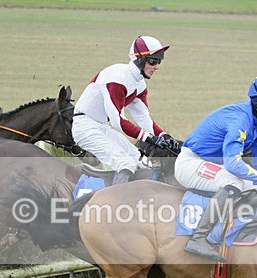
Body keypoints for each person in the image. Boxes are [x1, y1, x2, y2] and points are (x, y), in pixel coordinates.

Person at [175, 74, 257, 262]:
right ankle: (198, 238)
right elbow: (232, 164)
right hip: (190, 163)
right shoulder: (240, 120)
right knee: (233, 181)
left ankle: (231, 234)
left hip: (213, 164)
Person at [72, 35, 180, 184]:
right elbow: (117, 121)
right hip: (84, 128)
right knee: (126, 163)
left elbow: (144, 118)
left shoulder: (139, 84)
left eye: (159, 61)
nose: (157, 66)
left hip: (101, 127)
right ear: (139, 59)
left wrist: (164, 136)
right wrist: (148, 138)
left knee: (139, 161)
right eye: (153, 61)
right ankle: (117, 203)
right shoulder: (117, 78)